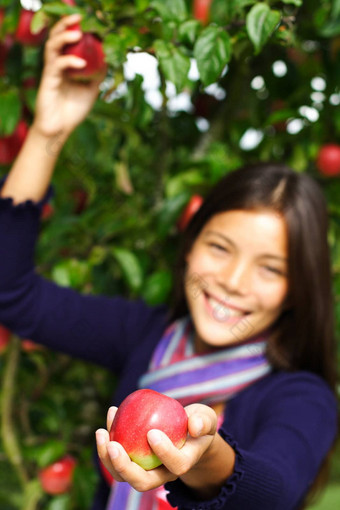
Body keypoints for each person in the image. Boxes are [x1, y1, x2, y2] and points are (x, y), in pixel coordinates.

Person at [0, 13, 338, 510]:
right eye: (220, 248)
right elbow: (11, 291)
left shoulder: (302, 396)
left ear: (298, 290)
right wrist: (49, 130)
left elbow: (273, 491)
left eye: (272, 268)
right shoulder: (148, 337)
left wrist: (206, 459)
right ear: (189, 248)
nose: (233, 282)